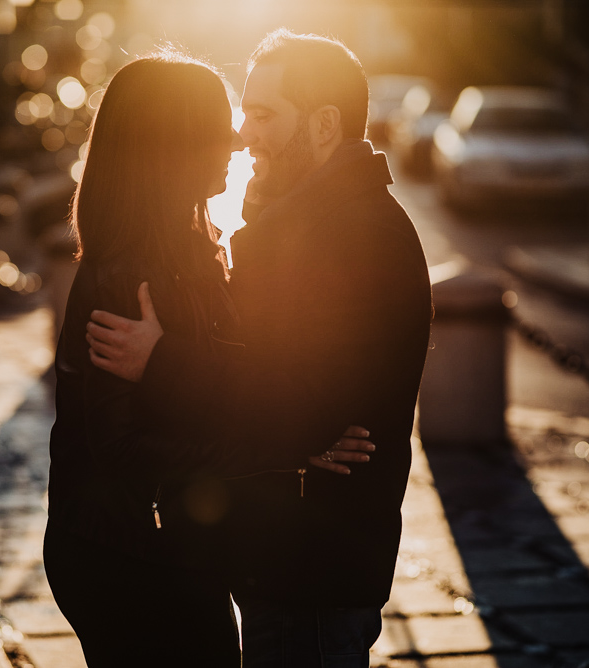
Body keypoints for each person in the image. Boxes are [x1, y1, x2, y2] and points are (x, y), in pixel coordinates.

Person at [86, 30, 433, 667]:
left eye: (265, 114)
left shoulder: (354, 235)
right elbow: (275, 375)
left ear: (325, 123)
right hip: (289, 555)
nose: (245, 134)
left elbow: (302, 401)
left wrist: (160, 360)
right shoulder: (308, 222)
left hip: (313, 569)